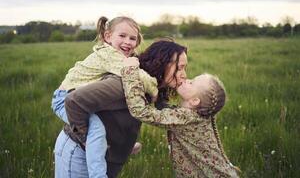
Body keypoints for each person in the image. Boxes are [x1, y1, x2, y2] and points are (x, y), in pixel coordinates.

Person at [54, 39, 188, 177]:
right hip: (79, 153)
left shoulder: (151, 86)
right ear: (163, 63)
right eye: (180, 67)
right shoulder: (122, 83)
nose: (184, 74)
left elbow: (162, 110)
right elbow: (74, 101)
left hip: (102, 158)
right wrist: (84, 139)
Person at [52, 16, 158, 178]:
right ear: (108, 37)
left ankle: (99, 146)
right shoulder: (108, 55)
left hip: (75, 97)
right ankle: (98, 173)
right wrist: (154, 88)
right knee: (96, 128)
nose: (127, 42)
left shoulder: (123, 57)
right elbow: (135, 75)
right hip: (63, 99)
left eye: (132, 38)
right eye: (122, 36)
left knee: (105, 123)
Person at [120, 57, 240, 177]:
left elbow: (140, 111)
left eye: (192, 83)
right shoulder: (198, 115)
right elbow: (167, 110)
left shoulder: (185, 118)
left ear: (194, 101)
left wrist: (129, 71)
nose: (187, 80)